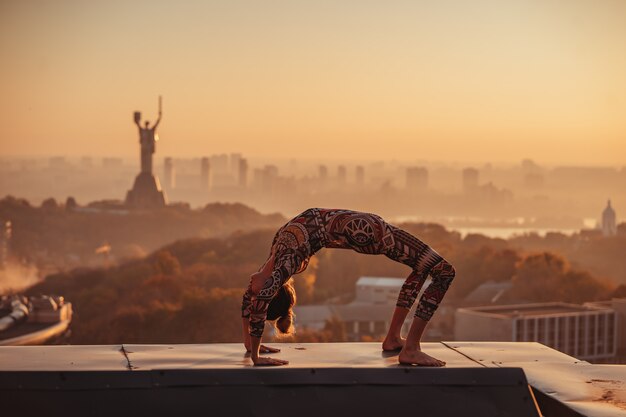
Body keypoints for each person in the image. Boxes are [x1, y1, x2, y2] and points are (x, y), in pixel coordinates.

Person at [241, 208, 456, 366]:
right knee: (444, 272)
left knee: (421, 267)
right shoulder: (284, 265)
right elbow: (259, 305)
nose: (249, 290)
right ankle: (410, 348)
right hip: (368, 232)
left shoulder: (272, 260)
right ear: (272, 289)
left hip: (363, 227)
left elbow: (249, 304)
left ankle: (393, 338)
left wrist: (249, 343)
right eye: (254, 293)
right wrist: (256, 357)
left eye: (250, 292)